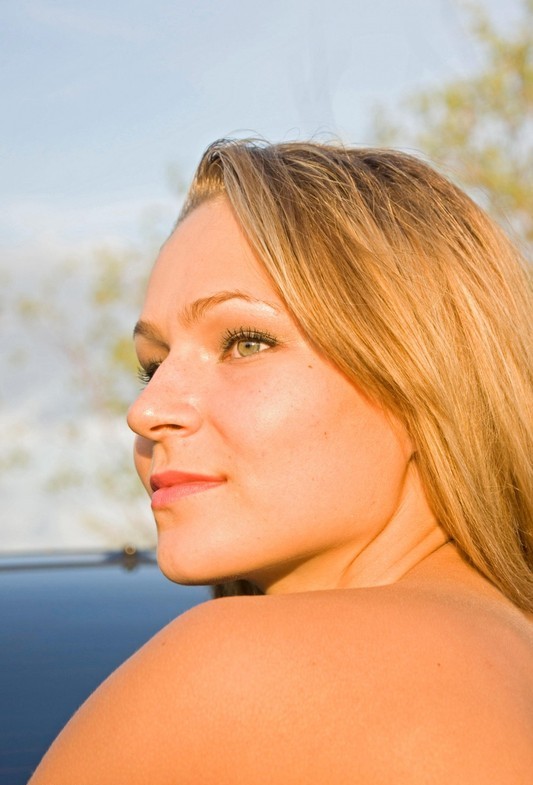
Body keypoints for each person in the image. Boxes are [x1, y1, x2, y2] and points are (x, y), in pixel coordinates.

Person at [30, 140, 533, 784]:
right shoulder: (509, 658)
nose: (146, 411)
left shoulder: (232, 671)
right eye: (152, 366)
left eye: (245, 343)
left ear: (423, 378)